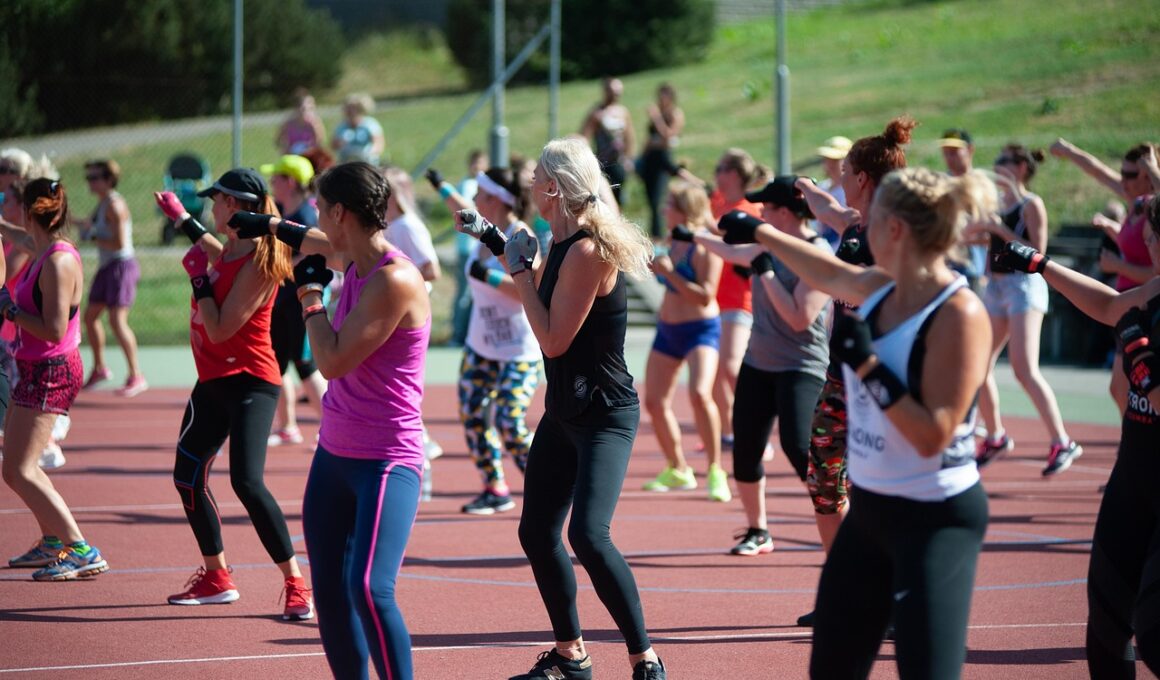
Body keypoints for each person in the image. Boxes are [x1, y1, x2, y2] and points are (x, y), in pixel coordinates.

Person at [723, 165, 995, 678]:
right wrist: (759, 232)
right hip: (871, 514)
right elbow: (828, 274)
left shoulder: (959, 313)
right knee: (832, 667)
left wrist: (868, 367)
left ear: (894, 229)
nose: (858, 228)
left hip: (935, 517)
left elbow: (933, 435)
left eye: (871, 220)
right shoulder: (879, 285)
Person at [458, 137, 666, 680]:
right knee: (536, 532)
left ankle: (646, 659)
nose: (528, 184)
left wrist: (519, 271)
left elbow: (552, 339)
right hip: (565, 411)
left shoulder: (587, 251)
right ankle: (571, 656)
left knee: (589, 535)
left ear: (553, 187)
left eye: (535, 177)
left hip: (604, 415)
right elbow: (540, 295)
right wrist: (495, 240)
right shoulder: (560, 239)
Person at [228, 161, 432, 680]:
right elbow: (315, 241)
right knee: (332, 593)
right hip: (334, 455)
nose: (316, 217)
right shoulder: (355, 256)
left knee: (369, 588)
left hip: (386, 460)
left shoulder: (394, 278)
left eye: (320, 208)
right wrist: (270, 225)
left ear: (340, 213)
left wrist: (310, 297)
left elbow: (333, 360)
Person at [987, 198, 1160, 677]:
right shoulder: (1155, 292)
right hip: (1133, 482)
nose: (1147, 245)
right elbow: (1107, 306)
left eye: (1153, 238)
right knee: (1105, 634)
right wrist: (1041, 265)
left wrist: (1139, 353)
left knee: (1155, 634)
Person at [153, 168, 313, 620]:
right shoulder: (231, 249)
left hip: (250, 382)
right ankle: (217, 576)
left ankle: (296, 583)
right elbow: (211, 247)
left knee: (247, 481)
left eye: (216, 200)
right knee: (187, 476)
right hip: (213, 380)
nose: (212, 207)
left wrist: (198, 281)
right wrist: (181, 217)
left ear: (236, 206)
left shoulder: (260, 264)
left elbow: (221, 328)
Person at [791, 116, 915, 626]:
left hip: (881, 385)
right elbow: (827, 208)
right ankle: (846, 589)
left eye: (844, 172)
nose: (838, 179)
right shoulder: (854, 223)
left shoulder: (897, 233)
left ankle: (895, 600)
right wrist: (803, 188)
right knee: (824, 482)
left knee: (880, 492)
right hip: (838, 380)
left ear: (862, 177)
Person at [696, 177, 831, 553]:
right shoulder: (765, 246)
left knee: (798, 447)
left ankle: (840, 516)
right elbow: (729, 251)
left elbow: (799, 317)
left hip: (801, 365)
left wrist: (767, 273)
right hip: (758, 362)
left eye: (765, 208)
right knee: (745, 451)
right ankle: (758, 530)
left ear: (784, 213)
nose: (760, 214)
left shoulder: (818, 253)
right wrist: (694, 236)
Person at [1, 178, 109, 581]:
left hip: (52, 371)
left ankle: (80, 549)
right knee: (15, 466)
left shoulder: (58, 261)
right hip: (34, 367)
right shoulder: (43, 247)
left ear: (28, 211)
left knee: (20, 469)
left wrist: (9, 310)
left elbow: (54, 329)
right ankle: (52, 541)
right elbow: (16, 235)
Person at [430, 166, 542, 515]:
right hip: (480, 346)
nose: (474, 198)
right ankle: (495, 489)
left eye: (480, 193)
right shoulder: (481, 224)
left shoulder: (519, 233)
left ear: (495, 199)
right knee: (474, 415)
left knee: (510, 422)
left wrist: (489, 278)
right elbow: (458, 207)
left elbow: (531, 288)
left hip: (518, 349)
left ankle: (545, 486)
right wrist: (440, 184)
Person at [970, 144, 1081, 474]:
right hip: (996, 287)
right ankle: (995, 436)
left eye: (1002, 161)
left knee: (1023, 368)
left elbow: (1038, 252)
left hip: (1023, 286)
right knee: (978, 365)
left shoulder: (1031, 204)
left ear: (1020, 167)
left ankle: (1062, 441)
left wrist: (998, 229)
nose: (996, 166)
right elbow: (984, 240)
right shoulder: (996, 203)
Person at [1051, 138, 1156, 414]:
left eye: (1131, 174)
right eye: (1122, 173)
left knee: (1133, 388)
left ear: (1148, 178)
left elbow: (1154, 273)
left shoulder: (1153, 210)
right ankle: (1133, 435)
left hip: (1146, 306)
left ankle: (1137, 436)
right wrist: (1070, 151)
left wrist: (1118, 266)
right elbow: (1097, 171)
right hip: (1125, 305)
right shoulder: (1134, 205)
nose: (1123, 180)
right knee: (1121, 388)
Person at [641, 179, 728, 502]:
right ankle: (677, 467)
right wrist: (656, 270)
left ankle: (716, 469)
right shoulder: (672, 241)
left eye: (669, 205)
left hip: (700, 330)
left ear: (685, 210)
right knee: (654, 402)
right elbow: (668, 278)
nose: (664, 210)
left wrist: (670, 274)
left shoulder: (705, 246)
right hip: (668, 329)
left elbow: (705, 296)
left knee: (700, 393)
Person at [259, 154, 327, 446]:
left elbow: (317, 252)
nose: (271, 182)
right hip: (282, 301)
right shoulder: (285, 213)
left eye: (275, 178)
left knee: (305, 365)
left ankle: (333, 427)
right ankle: (287, 426)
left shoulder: (307, 217)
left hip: (301, 301)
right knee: (277, 363)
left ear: (289, 182)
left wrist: (279, 266)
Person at [707, 148, 768, 456]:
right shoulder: (717, 202)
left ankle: (759, 433)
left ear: (733, 174)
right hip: (712, 300)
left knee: (732, 368)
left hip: (740, 299)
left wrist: (707, 227)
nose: (716, 175)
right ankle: (730, 434)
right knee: (716, 376)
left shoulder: (752, 209)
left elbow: (742, 249)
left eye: (720, 169)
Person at [77, 159, 147, 397]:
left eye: (94, 178)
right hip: (107, 266)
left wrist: (91, 236)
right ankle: (99, 369)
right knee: (90, 317)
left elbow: (118, 242)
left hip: (121, 266)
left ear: (108, 180)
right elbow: (89, 226)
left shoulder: (115, 205)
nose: (90, 182)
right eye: (89, 177)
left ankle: (136, 375)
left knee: (117, 321)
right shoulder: (102, 203)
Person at [450, 150, 491, 346]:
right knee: (464, 293)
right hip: (467, 248)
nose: (477, 167)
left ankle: (468, 333)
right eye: (474, 163)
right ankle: (458, 335)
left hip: (481, 247)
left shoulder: (484, 186)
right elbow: (469, 211)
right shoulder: (467, 185)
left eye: (481, 162)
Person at [939, 128, 988, 292]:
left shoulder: (982, 185)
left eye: (954, 152)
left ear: (970, 149)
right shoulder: (941, 185)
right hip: (944, 268)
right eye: (946, 152)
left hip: (973, 268)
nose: (949, 157)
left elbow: (991, 230)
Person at [637, 83, 686, 239]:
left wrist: (657, 117)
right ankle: (654, 235)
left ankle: (660, 236)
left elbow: (669, 136)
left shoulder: (675, 114)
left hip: (662, 159)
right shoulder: (658, 112)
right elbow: (650, 138)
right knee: (651, 201)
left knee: (658, 200)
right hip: (649, 159)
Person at [580, 77, 635, 206]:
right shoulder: (597, 112)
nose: (616, 95)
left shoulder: (622, 111)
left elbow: (629, 137)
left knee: (618, 199)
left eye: (618, 92)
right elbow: (584, 136)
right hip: (603, 163)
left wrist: (629, 158)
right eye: (613, 91)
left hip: (619, 162)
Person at [814, 135, 853, 249]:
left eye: (835, 160)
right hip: (822, 250)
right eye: (827, 159)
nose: (830, 164)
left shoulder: (852, 192)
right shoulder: (821, 187)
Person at [332, 93, 385, 165]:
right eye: (347, 108)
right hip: (346, 161)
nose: (349, 111)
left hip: (367, 161)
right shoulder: (341, 126)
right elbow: (333, 145)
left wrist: (370, 152)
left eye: (352, 108)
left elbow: (378, 144)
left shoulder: (370, 124)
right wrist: (339, 143)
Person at [275, 89, 327, 155]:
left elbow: (320, 142)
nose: (309, 112)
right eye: (305, 109)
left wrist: (314, 128)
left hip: (310, 155)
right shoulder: (288, 123)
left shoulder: (315, 122)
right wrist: (285, 148)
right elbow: (277, 141)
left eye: (311, 108)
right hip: (292, 155)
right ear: (297, 108)